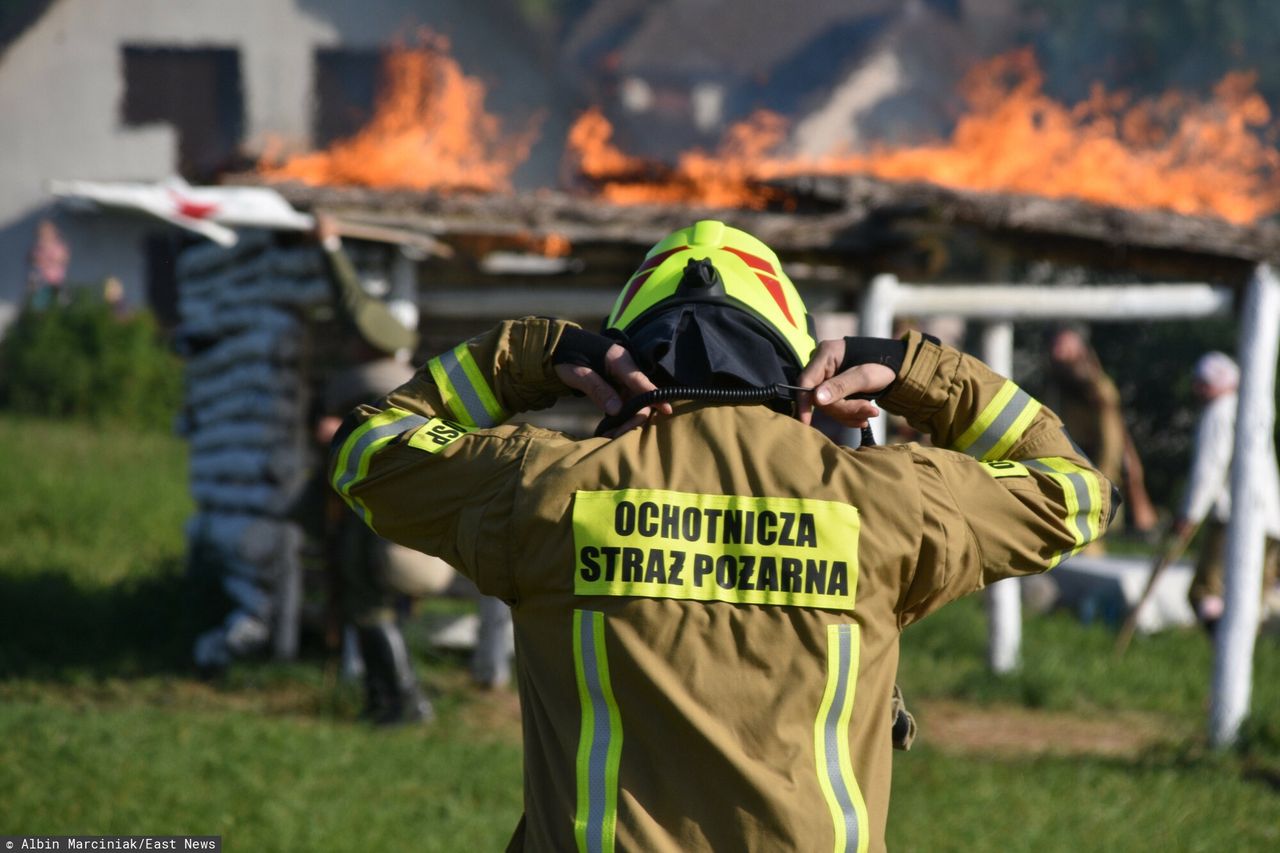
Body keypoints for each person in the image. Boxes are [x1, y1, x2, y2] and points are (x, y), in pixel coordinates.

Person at [329, 220, 1114, 850]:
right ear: (797, 357)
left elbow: (368, 451)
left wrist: (528, 357)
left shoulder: (544, 489)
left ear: (625, 359)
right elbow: (1079, 494)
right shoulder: (892, 502)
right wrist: (914, 369)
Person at [1174, 351, 1280, 632]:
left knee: (1206, 591)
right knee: (1250, 597)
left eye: (1202, 382)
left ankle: (1220, 651)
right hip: (1270, 521)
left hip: (1233, 518)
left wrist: (1189, 514)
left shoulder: (1219, 412)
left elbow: (1209, 470)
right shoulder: (1253, 408)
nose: (1197, 389)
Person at [1045, 325, 1157, 537]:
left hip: (1092, 460)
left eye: (1062, 345)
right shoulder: (1061, 382)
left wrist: (1104, 474)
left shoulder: (1097, 388)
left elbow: (1110, 439)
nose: (1056, 352)